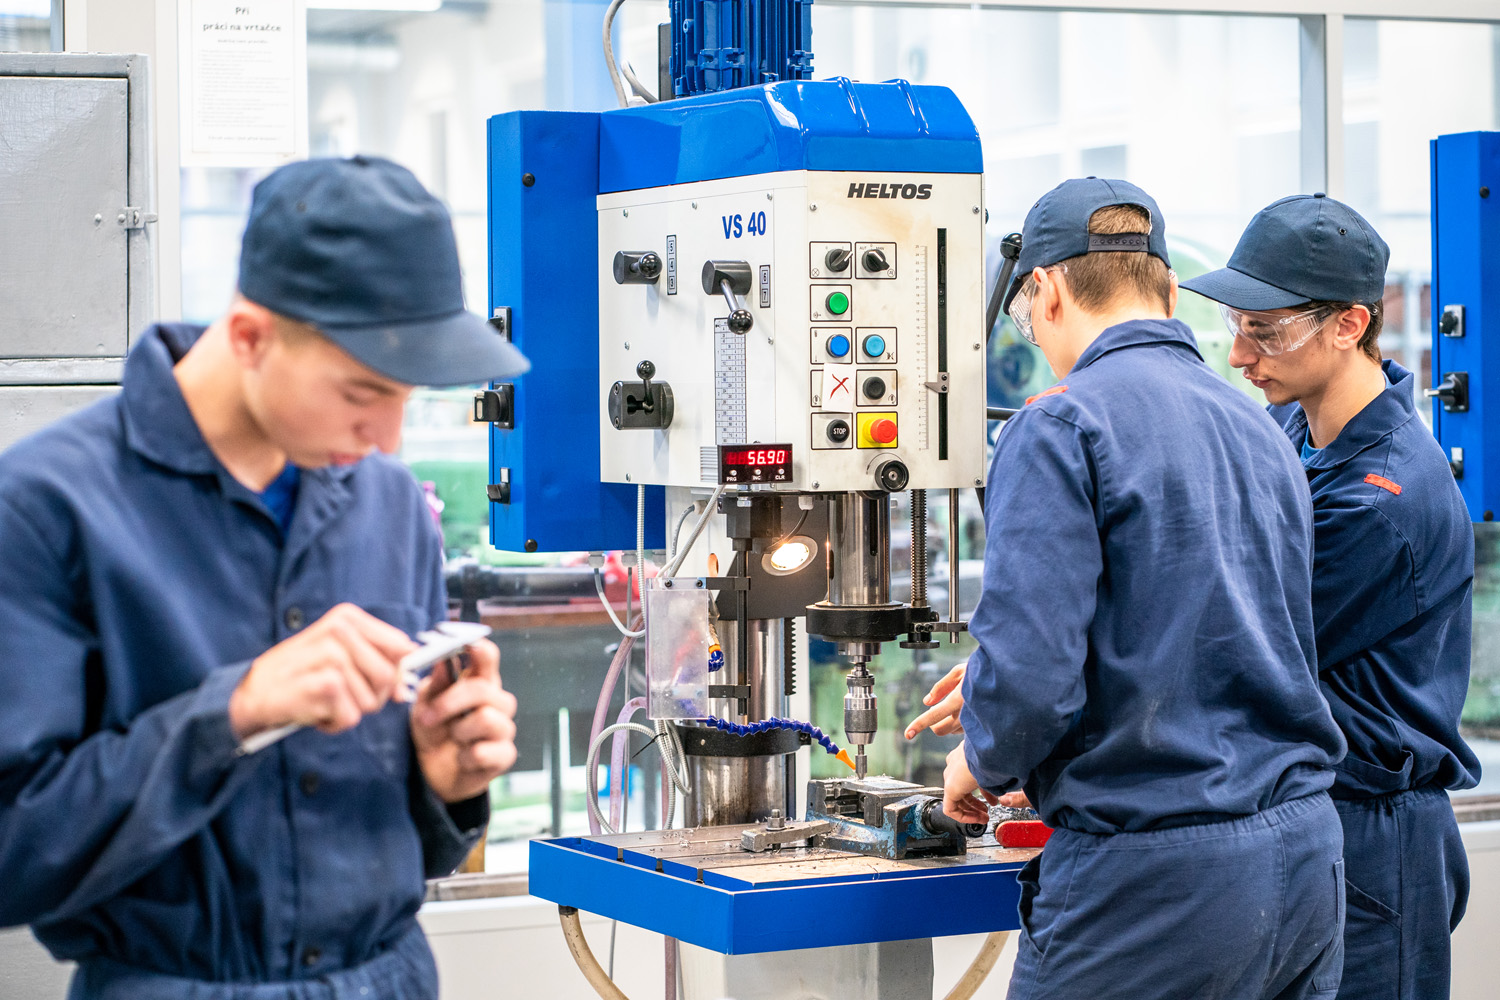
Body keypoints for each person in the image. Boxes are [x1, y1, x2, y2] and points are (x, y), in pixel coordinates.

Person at [0, 156, 528, 999]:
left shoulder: (390, 504)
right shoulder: (44, 509)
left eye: (406, 398)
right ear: (249, 337)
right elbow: (12, 855)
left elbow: (396, 843)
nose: (389, 438)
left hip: (387, 977)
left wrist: (442, 783)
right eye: (361, 392)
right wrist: (236, 713)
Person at [911, 177, 1348, 1000]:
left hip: (1152, 886)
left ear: (1045, 291)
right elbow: (1222, 621)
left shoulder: (1059, 425)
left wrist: (979, 757)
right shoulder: (1261, 429)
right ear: (1170, 291)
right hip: (1301, 866)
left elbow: (1032, 683)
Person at [1181, 193, 1480, 1000]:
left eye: (1266, 331)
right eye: (1236, 326)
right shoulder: (1294, 432)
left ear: (1350, 325)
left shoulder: (1383, 501)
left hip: (1376, 839)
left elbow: (1239, 643)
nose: (1239, 355)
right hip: (1306, 816)